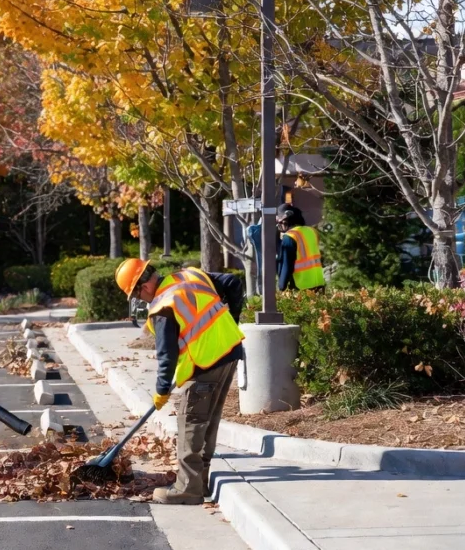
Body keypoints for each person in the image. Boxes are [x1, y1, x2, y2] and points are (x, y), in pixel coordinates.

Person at [116, 258, 245, 505]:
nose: (141, 301)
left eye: (136, 296)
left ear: (143, 287)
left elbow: (167, 355)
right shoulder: (190, 276)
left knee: (192, 421)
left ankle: (188, 488)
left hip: (205, 362)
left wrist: (161, 389)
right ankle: (201, 480)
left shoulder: (163, 305)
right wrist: (232, 320)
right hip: (229, 351)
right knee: (209, 419)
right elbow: (232, 282)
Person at [276, 204, 325, 291]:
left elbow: (287, 264)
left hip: (301, 285)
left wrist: (281, 286)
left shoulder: (290, 236)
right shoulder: (312, 231)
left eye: (279, 222)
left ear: (285, 221)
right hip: (318, 282)